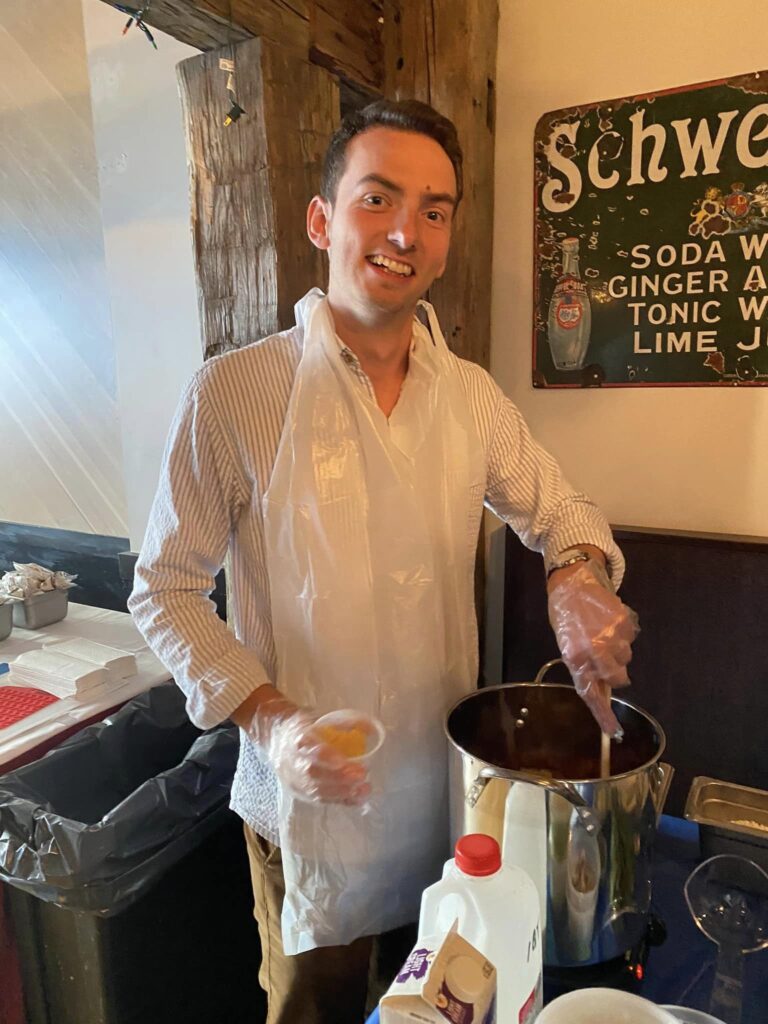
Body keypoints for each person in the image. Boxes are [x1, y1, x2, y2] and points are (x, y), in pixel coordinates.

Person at [129, 99, 638, 1024]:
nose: (406, 230)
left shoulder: (471, 397)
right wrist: (272, 721)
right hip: (301, 802)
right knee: (314, 1009)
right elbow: (163, 590)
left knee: (442, 1001)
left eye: (434, 211)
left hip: (444, 801)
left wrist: (575, 578)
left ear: (445, 242)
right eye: (378, 198)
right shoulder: (236, 392)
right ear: (323, 220)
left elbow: (562, 513)